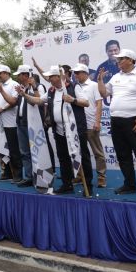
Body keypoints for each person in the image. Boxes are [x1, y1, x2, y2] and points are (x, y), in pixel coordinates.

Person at [24, 65, 93, 194]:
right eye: (49, 77)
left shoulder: (74, 87)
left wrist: (73, 100)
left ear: (58, 76)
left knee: (83, 156)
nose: (49, 79)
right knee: (63, 158)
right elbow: (38, 100)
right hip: (59, 131)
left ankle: (88, 185)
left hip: (75, 130)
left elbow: (86, 102)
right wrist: (24, 94)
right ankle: (67, 184)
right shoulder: (51, 91)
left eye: (51, 76)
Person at [98, 49, 136, 198]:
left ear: (130, 60)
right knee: (123, 155)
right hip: (116, 121)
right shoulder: (116, 77)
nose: (118, 61)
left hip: (134, 120)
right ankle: (129, 185)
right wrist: (100, 81)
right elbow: (104, 93)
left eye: (121, 58)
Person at [0, 64, 37, 187]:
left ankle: (33, 176)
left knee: (26, 151)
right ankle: (26, 177)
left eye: (19, 75)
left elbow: (13, 102)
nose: (18, 77)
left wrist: (3, 108)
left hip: (27, 123)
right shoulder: (21, 87)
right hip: (19, 122)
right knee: (23, 152)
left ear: (25, 75)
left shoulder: (29, 87)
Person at [72, 63, 107, 188]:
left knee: (97, 152)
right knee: (79, 152)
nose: (75, 75)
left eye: (78, 72)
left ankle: (101, 177)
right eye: (74, 73)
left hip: (91, 123)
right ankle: (80, 175)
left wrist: (97, 121)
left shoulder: (94, 85)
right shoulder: (73, 86)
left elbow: (99, 104)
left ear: (85, 73)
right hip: (78, 124)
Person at [0, 65, 22, 182]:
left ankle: (18, 174)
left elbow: (14, 102)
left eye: (1, 73)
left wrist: (3, 109)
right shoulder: (0, 86)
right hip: (1, 123)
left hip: (11, 122)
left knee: (14, 150)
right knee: (4, 148)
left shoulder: (13, 84)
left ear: (7, 73)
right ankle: (8, 172)